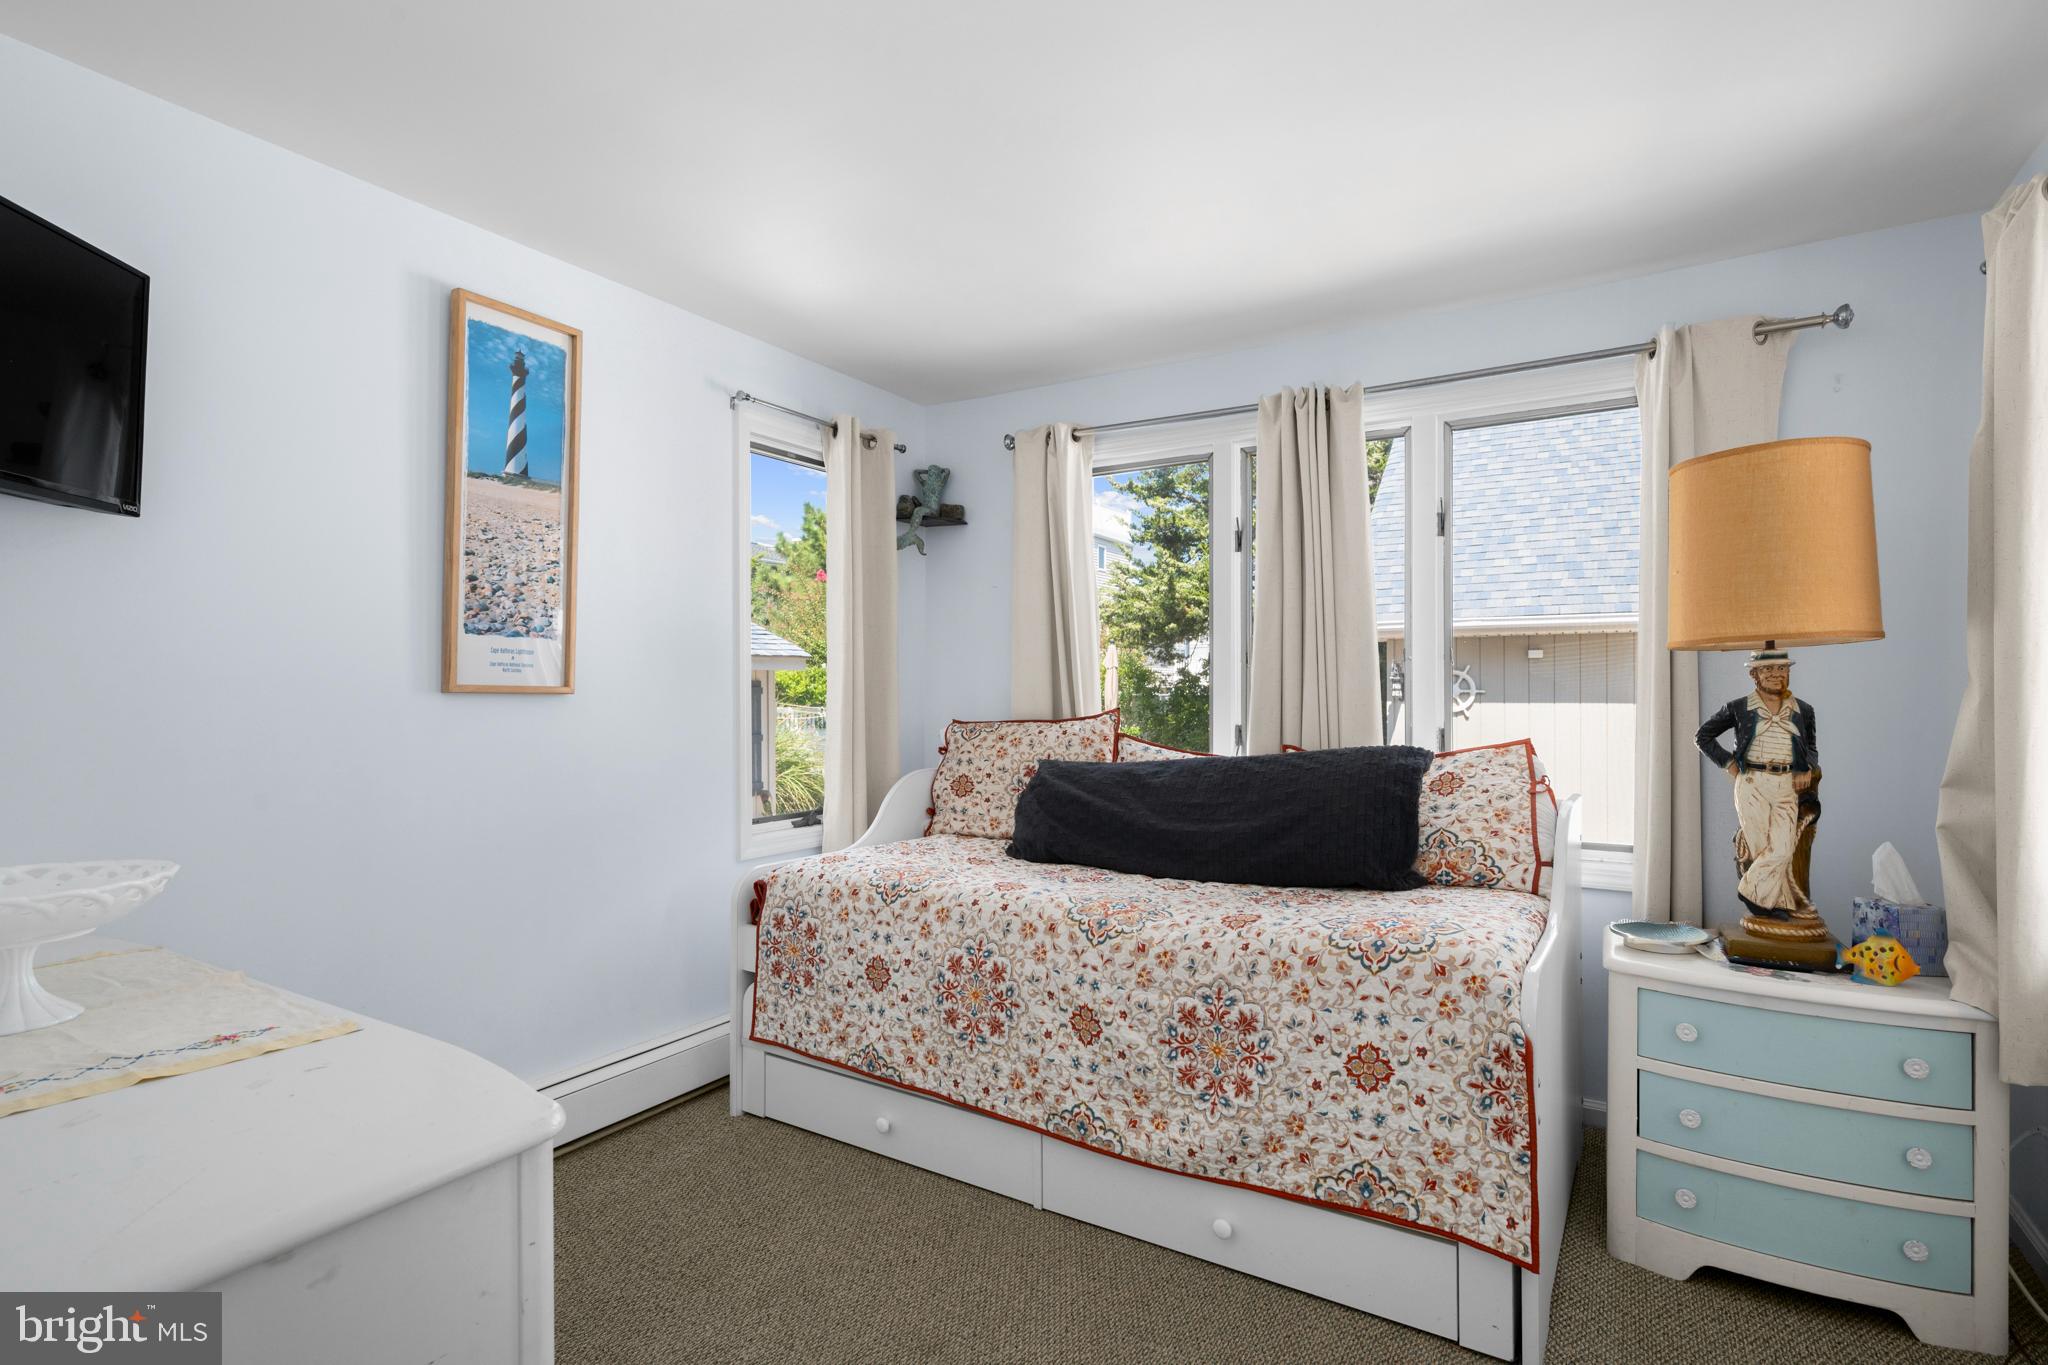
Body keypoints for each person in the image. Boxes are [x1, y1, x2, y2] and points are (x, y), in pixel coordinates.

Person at [1695, 649, 1821, 926]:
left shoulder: (1803, 710)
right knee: (1761, 847)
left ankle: (1750, 891)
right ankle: (1775, 906)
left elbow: (1811, 748)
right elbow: (1703, 736)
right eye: (1768, 670)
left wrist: (1805, 768)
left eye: (1781, 669)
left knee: (1783, 848)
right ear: (1754, 675)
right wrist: (1728, 762)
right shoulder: (1740, 707)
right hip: (1753, 781)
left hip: (1786, 783)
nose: (1776, 675)